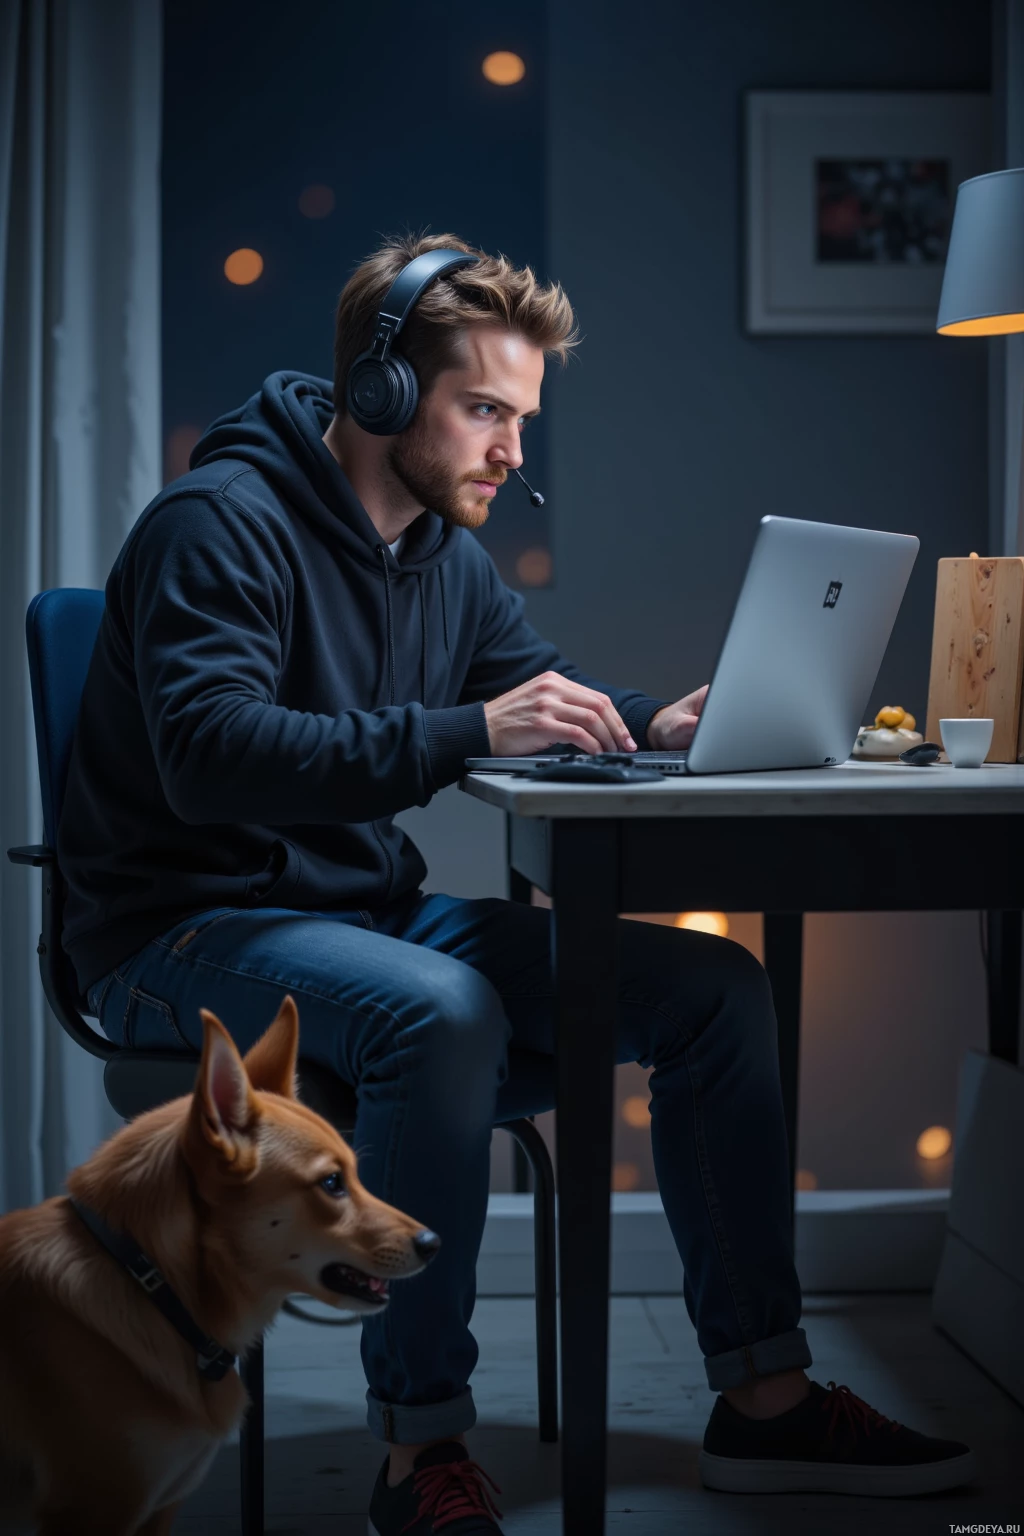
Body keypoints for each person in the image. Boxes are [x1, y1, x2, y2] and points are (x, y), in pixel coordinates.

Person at [59, 232, 977, 1534]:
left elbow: (542, 691)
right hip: (180, 922)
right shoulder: (220, 527)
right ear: (380, 393)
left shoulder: (445, 555)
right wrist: (469, 733)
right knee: (441, 1011)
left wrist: (653, 724)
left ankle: (764, 1404)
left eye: (521, 417)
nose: (510, 450)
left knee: (714, 989)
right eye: (484, 409)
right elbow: (212, 758)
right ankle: (417, 1452)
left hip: (361, 918)